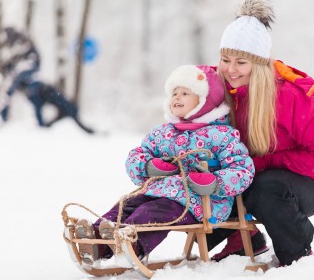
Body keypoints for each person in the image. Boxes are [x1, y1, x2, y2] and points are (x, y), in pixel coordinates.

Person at [206, 0, 314, 267]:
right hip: (245, 177)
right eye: (225, 59)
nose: (231, 70)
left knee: (264, 188)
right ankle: (244, 239)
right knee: (199, 188)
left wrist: (264, 163)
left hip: (302, 184)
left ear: (258, 64)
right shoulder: (218, 89)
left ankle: (298, 255)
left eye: (241, 63)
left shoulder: (290, 96)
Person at [73, 65, 255, 266]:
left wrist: (215, 182)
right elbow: (137, 155)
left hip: (199, 201)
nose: (177, 97)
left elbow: (242, 169)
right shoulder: (163, 133)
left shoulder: (222, 135)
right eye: (174, 93)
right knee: (127, 205)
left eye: (185, 93)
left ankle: (133, 245)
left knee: (152, 213)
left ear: (206, 101)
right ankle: (97, 239)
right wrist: (148, 166)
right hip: (157, 191)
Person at [0, 27, 94, 134]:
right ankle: (42, 127)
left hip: (44, 91)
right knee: (64, 111)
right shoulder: (29, 79)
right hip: (45, 91)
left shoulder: (27, 78)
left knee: (63, 111)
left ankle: (42, 128)